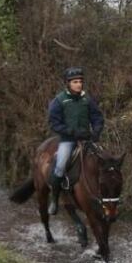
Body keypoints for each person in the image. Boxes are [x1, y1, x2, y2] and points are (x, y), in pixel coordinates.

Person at [46, 66, 104, 215]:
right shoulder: (59, 101)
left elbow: (97, 117)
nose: (79, 84)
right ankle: (54, 199)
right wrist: (70, 132)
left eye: (80, 81)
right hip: (68, 140)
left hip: (87, 139)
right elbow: (54, 122)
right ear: (68, 83)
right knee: (59, 166)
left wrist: (96, 132)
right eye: (75, 82)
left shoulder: (87, 99)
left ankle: (105, 199)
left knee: (106, 162)